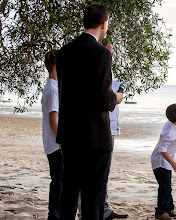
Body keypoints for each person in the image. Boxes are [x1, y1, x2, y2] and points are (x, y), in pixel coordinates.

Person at [56, 4, 124, 220]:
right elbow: (104, 99)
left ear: (83, 23)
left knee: (68, 193)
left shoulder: (64, 52)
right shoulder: (102, 54)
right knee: (93, 197)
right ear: (104, 24)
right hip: (95, 137)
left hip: (69, 135)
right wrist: (117, 97)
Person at [77, 81, 128, 219]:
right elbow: (101, 97)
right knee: (90, 173)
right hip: (97, 127)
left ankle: (104, 207)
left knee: (103, 173)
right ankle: (85, 211)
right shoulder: (97, 64)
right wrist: (115, 97)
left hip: (108, 127)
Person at [151, 102, 176, 220]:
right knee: (165, 187)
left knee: (167, 186)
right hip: (161, 161)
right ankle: (161, 211)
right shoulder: (169, 132)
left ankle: (169, 208)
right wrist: (173, 163)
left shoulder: (173, 123)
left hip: (165, 161)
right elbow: (162, 150)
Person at [41, 50, 63, 220]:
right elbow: (53, 120)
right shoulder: (53, 90)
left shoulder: (52, 87)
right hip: (56, 145)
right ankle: (54, 216)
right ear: (56, 66)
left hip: (52, 143)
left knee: (58, 182)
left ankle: (55, 215)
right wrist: (62, 142)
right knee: (59, 183)